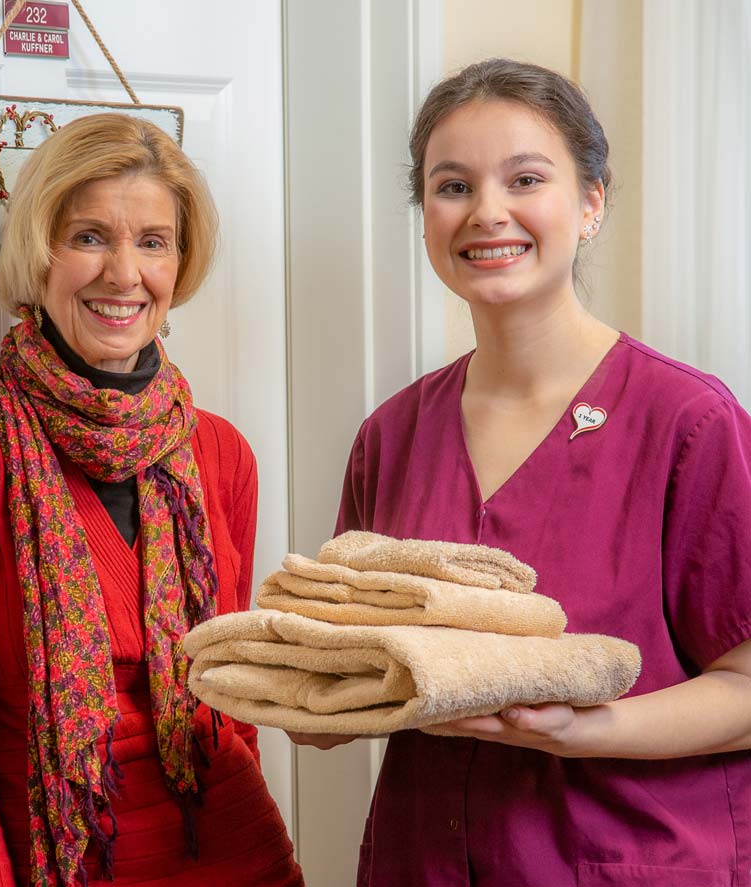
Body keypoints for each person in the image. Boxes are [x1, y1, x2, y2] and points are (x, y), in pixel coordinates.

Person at [288, 59, 751, 886]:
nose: (486, 212)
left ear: (590, 203)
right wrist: (309, 695)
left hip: (624, 857)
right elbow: (355, 664)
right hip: (421, 859)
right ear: (425, 214)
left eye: (525, 178)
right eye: (452, 185)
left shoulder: (689, 422)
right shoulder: (390, 436)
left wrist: (587, 728)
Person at [0, 113, 303, 887]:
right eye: (90, 236)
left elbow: (231, 692)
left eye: (152, 241)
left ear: (178, 264)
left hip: (234, 846)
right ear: (38, 252)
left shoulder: (221, 452)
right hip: (67, 856)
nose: (124, 274)